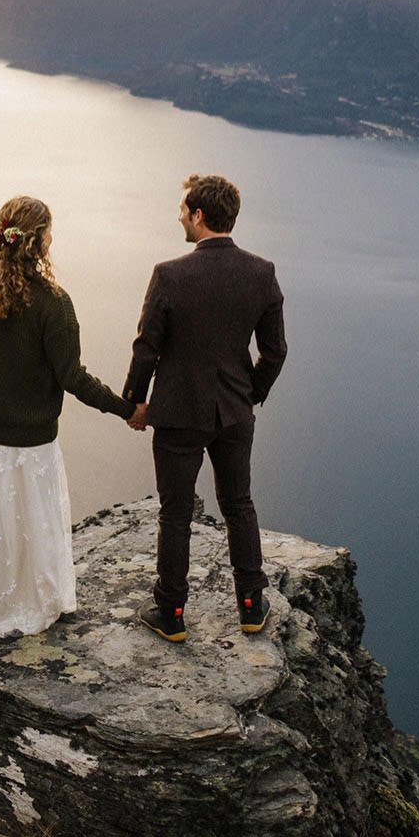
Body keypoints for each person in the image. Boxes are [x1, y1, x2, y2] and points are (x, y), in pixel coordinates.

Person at [0, 195, 138, 651]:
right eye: (50, 232)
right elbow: (73, 378)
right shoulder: (53, 303)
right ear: (38, 242)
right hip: (31, 446)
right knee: (25, 525)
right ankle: (21, 598)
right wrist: (127, 409)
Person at [124, 174, 288, 643]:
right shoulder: (262, 272)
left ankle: (171, 612)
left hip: (178, 413)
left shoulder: (169, 274)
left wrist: (136, 402)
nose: (179, 216)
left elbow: (145, 349)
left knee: (175, 513)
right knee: (239, 504)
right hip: (234, 413)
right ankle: (252, 608)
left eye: (182, 210)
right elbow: (275, 352)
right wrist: (249, 393)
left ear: (198, 215)